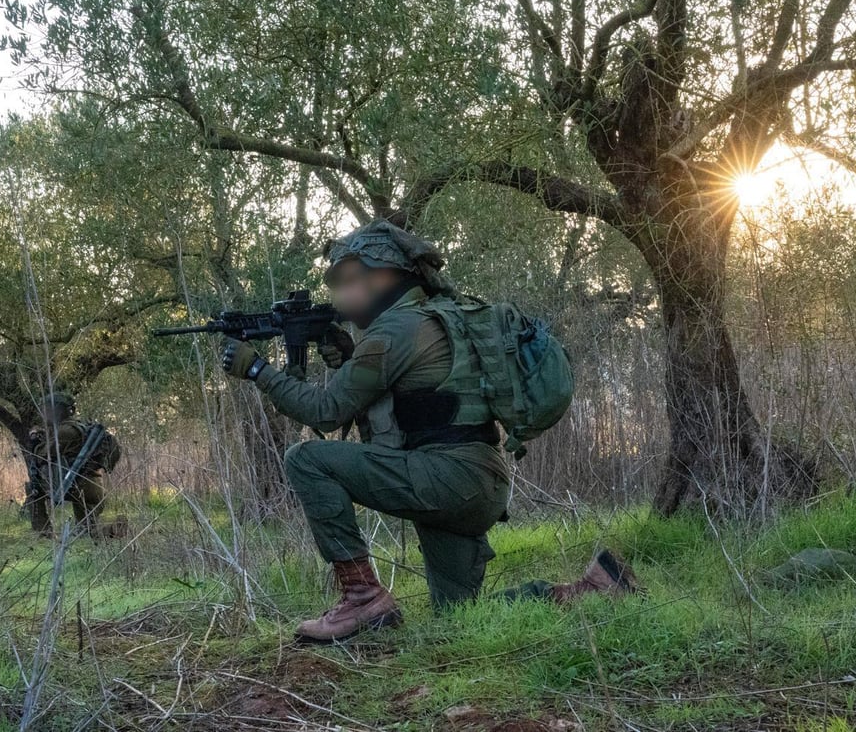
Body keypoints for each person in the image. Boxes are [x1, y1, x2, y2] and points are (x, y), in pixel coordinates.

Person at [220, 220, 640, 644]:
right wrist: (349, 356)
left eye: (349, 279)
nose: (341, 294)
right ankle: (589, 591)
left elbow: (326, 412)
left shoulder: (396, 328)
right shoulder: (435, 317)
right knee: (457, 622)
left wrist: (258, 370)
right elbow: (417, 400)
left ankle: (361, 595)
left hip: (446, 477)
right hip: (476, 482)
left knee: (306, 458)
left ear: (385, 275)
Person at [27, 392, 121, 537]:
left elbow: (41, 456)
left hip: (75, 486)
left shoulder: (64, 431)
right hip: (93, 487)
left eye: (46, 409)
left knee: (33, 488)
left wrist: (34, 440)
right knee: (86, 532)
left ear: (56, 410)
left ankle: (44, 533)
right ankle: (113, 530)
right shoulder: (80, 427)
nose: (43, 413)